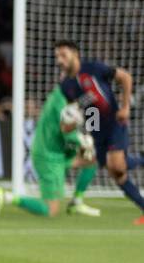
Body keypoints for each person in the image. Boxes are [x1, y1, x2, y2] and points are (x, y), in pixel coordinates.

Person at [53, 40, 143, 225]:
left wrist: (125, 107)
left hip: (114, 120)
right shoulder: (66, 86)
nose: (59, 60)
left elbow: (125, 77)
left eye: (63, 55)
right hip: (96, 129)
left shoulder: (93, 68)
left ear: (75, 54)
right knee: (118, 174)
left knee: (116, 165)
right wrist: (73, 125)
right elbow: (80, 110)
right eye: (57, 57)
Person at [0, 89, 99, 218]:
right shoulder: (70, 134)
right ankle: (5, 196)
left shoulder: (59, 111)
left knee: (90, 161)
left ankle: (76, 201)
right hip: (49, 160)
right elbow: (77, 140)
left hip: (56, 157)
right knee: (50, 210)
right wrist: (86, 142)